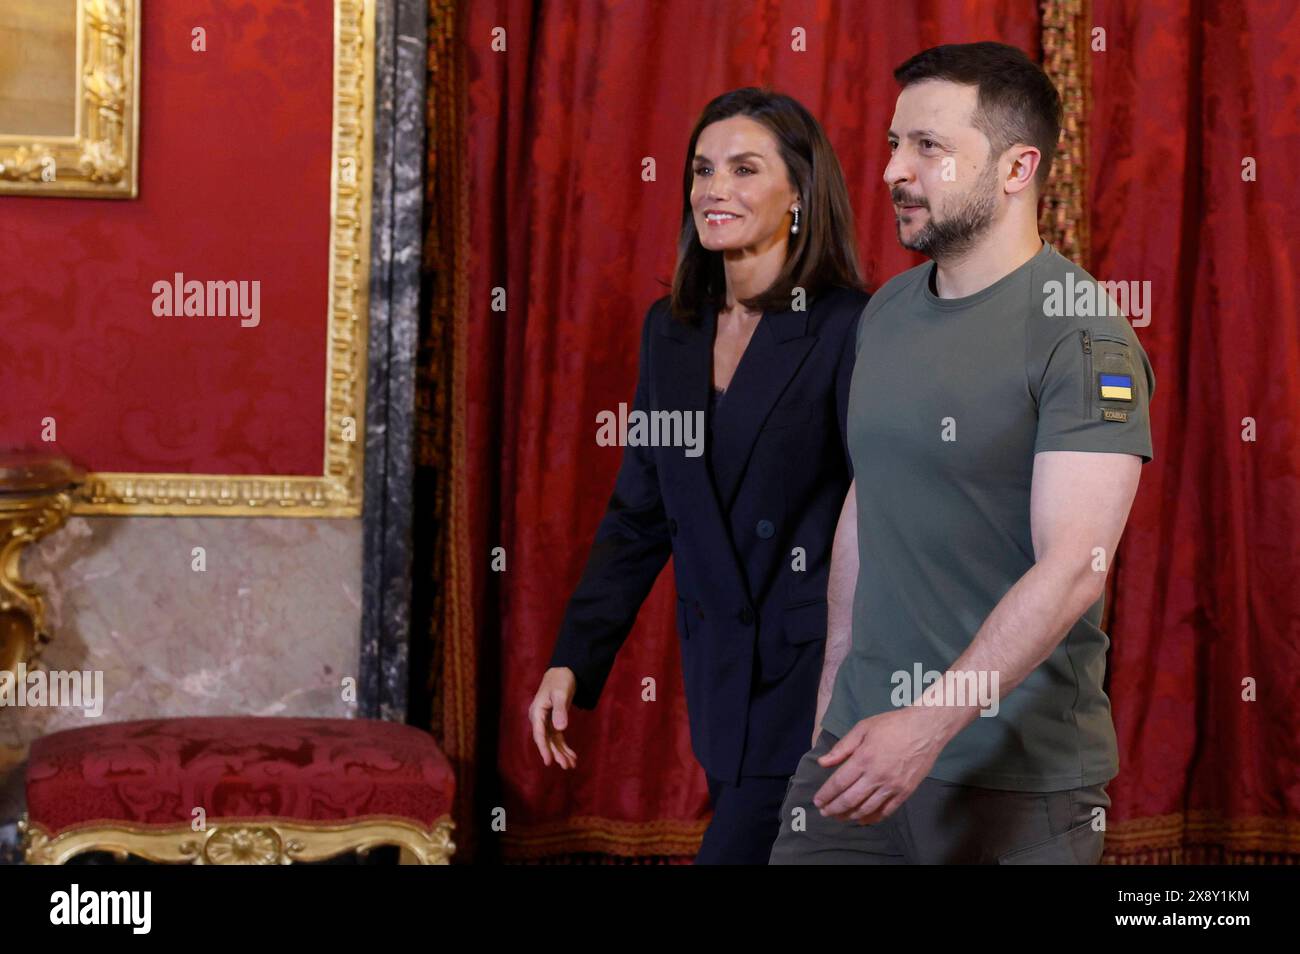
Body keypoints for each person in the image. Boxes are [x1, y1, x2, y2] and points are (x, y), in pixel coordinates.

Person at [770, 42, 1155, 864]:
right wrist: (834, 702)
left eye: (929, 148)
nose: (892, 172)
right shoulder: (889, 311)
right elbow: (869, 501)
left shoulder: (1084, 334)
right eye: (893, 144)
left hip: (1011, 782)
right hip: (855, 755)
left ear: (1018, 169)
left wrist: (927, 726)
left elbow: (1075, 567)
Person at [528, 87, 870, 864]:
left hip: (816, 683)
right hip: (721, 685)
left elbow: (881, 515)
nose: (714, 189)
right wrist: (572, 659)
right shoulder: (672, 332)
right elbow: (641, 512)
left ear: (800, 193)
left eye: (744, 169)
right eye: (702, 169)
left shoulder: (849, 325)